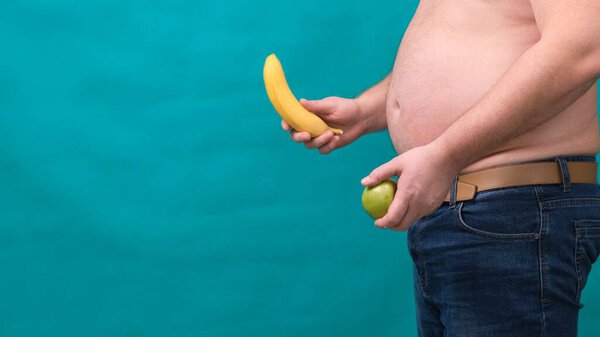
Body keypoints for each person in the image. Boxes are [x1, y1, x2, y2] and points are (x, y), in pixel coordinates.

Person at [281, 1, 600, 336]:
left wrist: (444, 154)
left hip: (510, 210)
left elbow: (582, 47)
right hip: (468, 210)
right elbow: (473, 41)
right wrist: (366, 109)